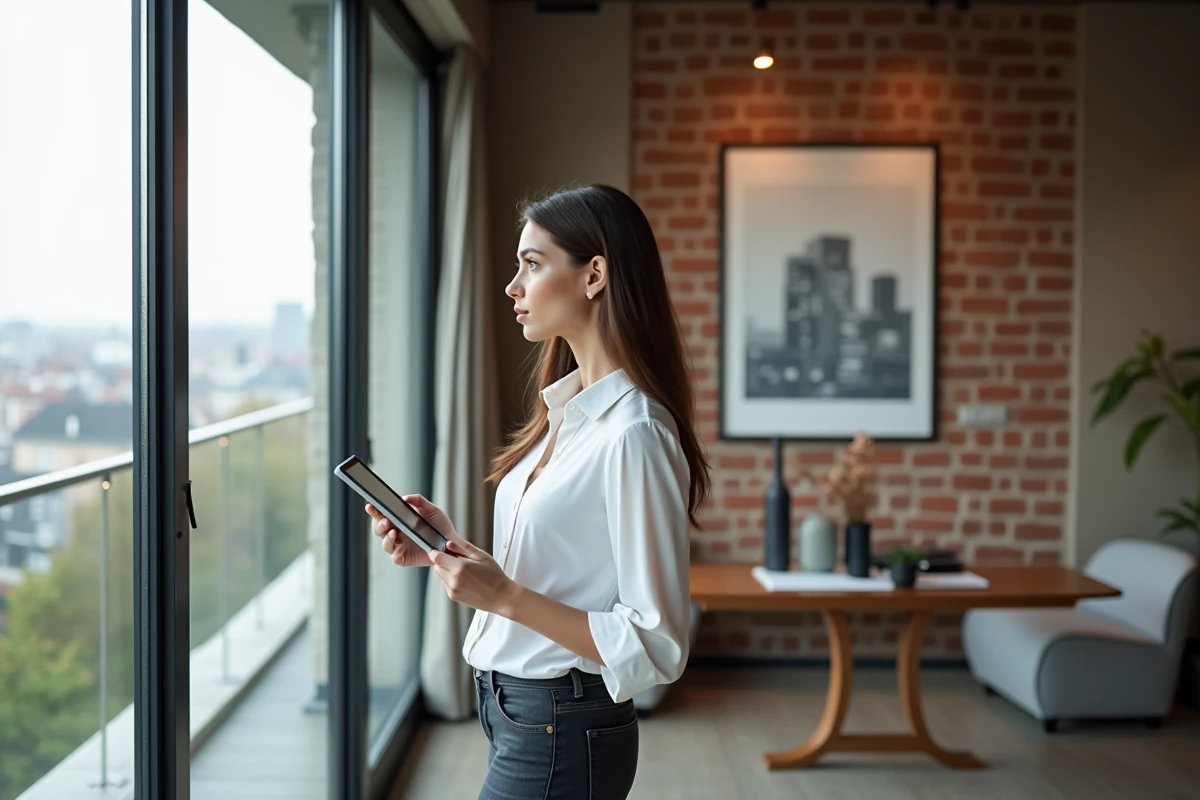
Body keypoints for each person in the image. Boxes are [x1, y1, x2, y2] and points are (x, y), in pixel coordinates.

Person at [365, 184, 711, 800]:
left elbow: (657, 643)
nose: (512, 287)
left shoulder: (635, 433)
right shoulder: (567, 414)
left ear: (594, 275)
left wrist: (503, 596)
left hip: (561, 724)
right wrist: (448, 549)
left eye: (532, 263)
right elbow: (562, 571)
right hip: (519, 714)